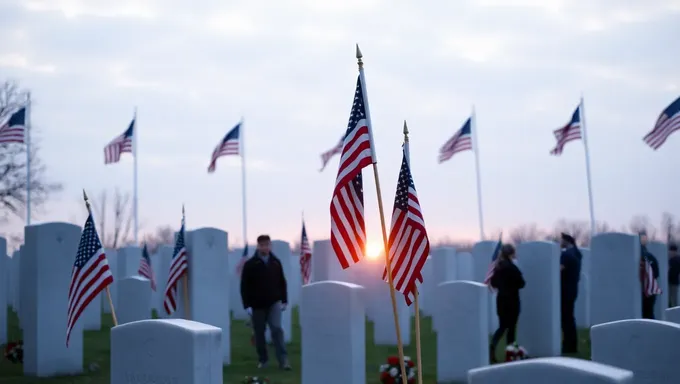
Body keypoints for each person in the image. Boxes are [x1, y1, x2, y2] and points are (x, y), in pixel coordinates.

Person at [240, 234, 291, 370]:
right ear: (258, 246)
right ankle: (263, 360)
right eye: (262, 245)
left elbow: (282, 282)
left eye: (267, 245)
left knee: (277, 329)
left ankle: (283, 361)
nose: (265, 247)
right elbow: (244, 286)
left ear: (270, 246)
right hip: (257, 305)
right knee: (259, 332)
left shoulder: (276, 262)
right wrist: (247, 305)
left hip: (274, 302)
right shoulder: (250, 264)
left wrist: (284, 300)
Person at [489, 244, 525, 363]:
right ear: (511, 254)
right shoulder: (512, 268)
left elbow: (493, 283)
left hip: (501, 300)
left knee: (502, 327)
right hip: (512, 301)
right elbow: (522, 283)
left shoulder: (498, 267)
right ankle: (511, 354)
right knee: (511, 329)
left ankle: (492, 347)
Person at [559, 232, 582, 354]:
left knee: (565, 319)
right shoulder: (577, 253)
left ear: (566, 241)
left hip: (565, 290)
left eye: (561, 240)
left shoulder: (566, 255)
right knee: (570, 318)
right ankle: (572, 345)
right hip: (573, 289)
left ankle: (567, 345)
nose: (560, 242)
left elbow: (559, 270)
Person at [639, 231, 660, 319]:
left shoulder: (641, 256)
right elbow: (657, 273)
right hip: (651, 290)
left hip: (644, 291)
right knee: (649, 314)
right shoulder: (651, 257)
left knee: (646, 314)